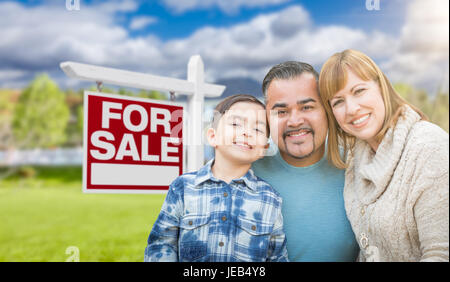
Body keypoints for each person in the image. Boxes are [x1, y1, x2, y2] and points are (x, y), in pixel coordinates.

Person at [318, 49, 449, 262]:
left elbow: (441, 255)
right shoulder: (356, 158)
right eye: (338, 102)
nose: (351, 109)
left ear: (382, 87)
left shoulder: (429, 147)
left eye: (359, 91)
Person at [144, 94, 288, 262]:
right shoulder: (183, 187)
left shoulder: (270, 198)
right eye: (235, 124)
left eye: (257, 129)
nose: (246, 132)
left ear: (263, 148)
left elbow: (277, 256)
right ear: (213, 137)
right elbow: (162, 244)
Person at [252, 61, 359, 261]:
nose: (294, 121)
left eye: (307, 107)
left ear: (327, 111)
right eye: (281, 112)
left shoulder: (357, 166)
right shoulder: (248, 174)